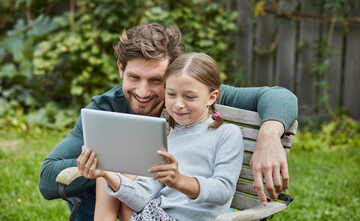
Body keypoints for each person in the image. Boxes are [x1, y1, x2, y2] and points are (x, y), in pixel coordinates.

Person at [39, 22, 298, 220]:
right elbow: (48, 178)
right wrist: (108, 164)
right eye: (133, 78)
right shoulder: (106, 108)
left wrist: (270, 134)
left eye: (155, 81)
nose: (142, 92)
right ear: (120, 68)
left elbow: (278, 96)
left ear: (174, 73)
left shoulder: (192, 97)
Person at [77, 52, 244, 221]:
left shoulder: (226, 134)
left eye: (189, 97)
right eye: (171, 95)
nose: (178, 104)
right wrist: (106, 173)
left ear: (211, 97)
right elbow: (141, 198)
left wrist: (179, 181)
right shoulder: (166, 138)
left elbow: (223, 191)